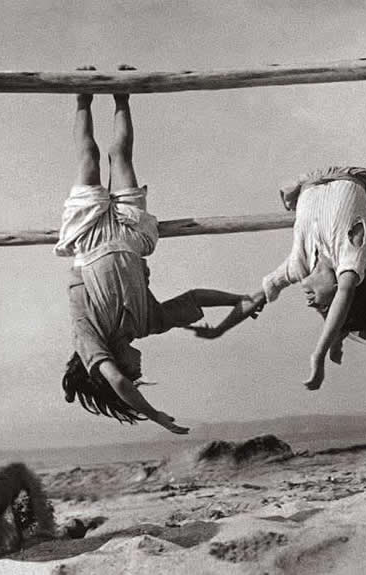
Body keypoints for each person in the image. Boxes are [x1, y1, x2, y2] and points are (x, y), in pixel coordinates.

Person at [56, 79, 261, 435]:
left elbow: (118, 383)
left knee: (88, 160)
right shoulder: (148, 324)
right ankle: (121, 96)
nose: (138, 368)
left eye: (135, 373)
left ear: (116, 366)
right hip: (132, 236)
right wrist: (238, 298)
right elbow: (195, 299)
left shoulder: (89, 342)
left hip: (87, 240)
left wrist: (156, 417)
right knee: (121, 157)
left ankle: (83, 99)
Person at [191, 167, 366, 390]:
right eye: (324, 305)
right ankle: (354, 330)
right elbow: (345, 295)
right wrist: (318, 356)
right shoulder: (348, 261)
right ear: (339, 285)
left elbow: (254, 299)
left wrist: (219, 330)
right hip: (354, 177)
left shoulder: (297, 267)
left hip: (309, 183)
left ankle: (346, 332)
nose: (311, 304)